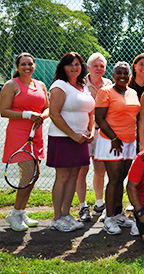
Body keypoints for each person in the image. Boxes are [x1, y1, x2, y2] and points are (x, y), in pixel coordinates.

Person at [1, 53, 49, 231]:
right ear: (17, 66)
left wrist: (41, 117)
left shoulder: (41, 85)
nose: (27, 67)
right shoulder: (11, 85)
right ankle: (14, 214)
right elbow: (3, 111)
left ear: (34, 65)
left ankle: (20, 212)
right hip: (18, 134)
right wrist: (28, 115)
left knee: (34, 175)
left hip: (35, 133)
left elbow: (47, 108)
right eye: (23, 64)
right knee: (28, 173)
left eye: (30, 64)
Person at [47, 52, 95, 232]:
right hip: (62, 138)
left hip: (80, 139)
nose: (74, 68)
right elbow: (54, 114)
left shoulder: (84, 87)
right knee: (63, 177)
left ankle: (66, 215)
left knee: (74, 176)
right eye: (70, 65)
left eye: (77, 64)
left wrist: (90, 130)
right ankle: (57, 217)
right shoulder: (59, 85)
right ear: (63, 68)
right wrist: (72, 134)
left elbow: (91, 113)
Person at [94, 61, 140, 235]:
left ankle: (119, 214)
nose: (122, 76)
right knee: (113, 180)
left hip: (129, 141)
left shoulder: (133, 92)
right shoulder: (105, 91)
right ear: (113, 75)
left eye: (125, 73)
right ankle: (109, 218)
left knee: (121, 178)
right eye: (119, 73)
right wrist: (114, 137)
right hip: (111, 141)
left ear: (130, 75)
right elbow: (99, 118)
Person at [75, 53, 112, 222]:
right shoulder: (79, 83)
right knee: (82, 170)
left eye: (102, 66)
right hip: (83, 132)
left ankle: (99, 204)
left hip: (101, 133)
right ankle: (82, 206)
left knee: (100, 170)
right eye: (95, 66)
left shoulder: (109, 84)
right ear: (88, 68)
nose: (99, 69)